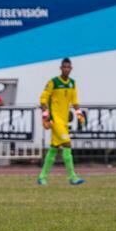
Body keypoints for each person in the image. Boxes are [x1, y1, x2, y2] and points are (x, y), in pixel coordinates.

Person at [37, 58, 85, 186]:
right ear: (60, 68)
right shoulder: (53, 82)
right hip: (55, 119)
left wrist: (79, 113)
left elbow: (74, 101)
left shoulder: (72, 83)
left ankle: (42, 177)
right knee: (67, 144)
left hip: (63, 120)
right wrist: (45, 116)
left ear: (71, 68)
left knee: (54, 148)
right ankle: (72, 177)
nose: (66, 69)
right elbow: (43, 99)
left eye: (68, 67)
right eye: (64, 67)